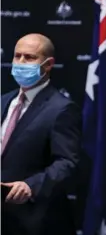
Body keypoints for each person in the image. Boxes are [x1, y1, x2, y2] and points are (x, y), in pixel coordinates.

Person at [1, 33, 81, 235]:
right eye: (17, 56)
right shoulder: (3, 101)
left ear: (48, 64)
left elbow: (67, 162)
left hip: (32, 220)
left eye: (29, 57)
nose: (20, 62)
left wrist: (30, 186)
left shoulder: (61, 108)